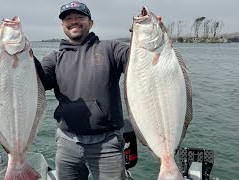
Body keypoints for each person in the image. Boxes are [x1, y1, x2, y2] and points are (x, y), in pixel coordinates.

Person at [33, 1, 161, 179]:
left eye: (80, 17)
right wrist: (23, 56)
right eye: (68, 18)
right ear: (63, 25)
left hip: (107, 144)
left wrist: (146, 36)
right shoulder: (54, 58)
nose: (74, 21)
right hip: (66, 144)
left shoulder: (110, 48)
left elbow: (138, 63)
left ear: (91, 23)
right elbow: (39, 82)